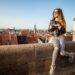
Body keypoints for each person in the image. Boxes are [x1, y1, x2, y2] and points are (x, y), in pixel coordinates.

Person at [48, 8, 75, 75]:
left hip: (61, 37)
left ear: (59, 13)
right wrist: (52, 27)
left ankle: (71, 54)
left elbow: (64, 31)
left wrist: (60, 27)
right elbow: (49, 30)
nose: (54, 14)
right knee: (56, 48)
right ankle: (52, 67)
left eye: (56, 12)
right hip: (54, 37)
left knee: (62, 53)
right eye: (53, 12)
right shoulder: (52, 21)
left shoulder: (62, 21)